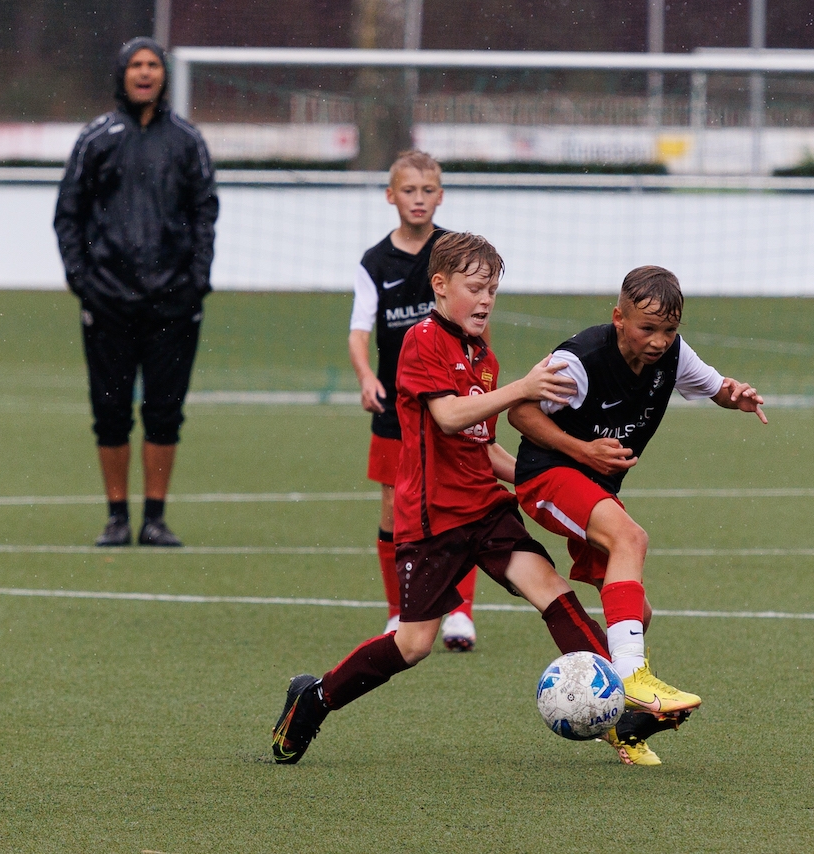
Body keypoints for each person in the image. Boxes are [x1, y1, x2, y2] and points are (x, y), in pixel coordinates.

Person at [272, 232, 614, 765]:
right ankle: (314, 699)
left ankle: (623, 706)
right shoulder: (423, 339)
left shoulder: (483, 356)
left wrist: (557, 473)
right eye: (475, 288)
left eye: (493, 290)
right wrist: (523, 389)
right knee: (413, 645)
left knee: (550, 589)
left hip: (485, 507)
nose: (485, 300)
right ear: (440, 284)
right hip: (433, 518)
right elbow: (449, 416)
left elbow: (485, 446)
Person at [508, 264, 768, 766]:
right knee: (631, 538)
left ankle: (618, 725)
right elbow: (519, 410)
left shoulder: (673, 355)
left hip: (594, 489)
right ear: (619, 318)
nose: (659, 341)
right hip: (547, 477)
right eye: (647, 328)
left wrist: (734, 397)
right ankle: (630, 679)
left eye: (669, 329)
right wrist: (582, 450)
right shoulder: (580, 360)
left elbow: (715, 386)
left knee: (636, 616)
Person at [54, 36, 219, 548]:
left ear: (164, 75)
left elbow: (205, 214)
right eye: (136, 65)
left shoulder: (188, 140)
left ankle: (155, 519)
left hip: (174, 302)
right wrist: (83, 281)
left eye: (153, 65)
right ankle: (116, 518)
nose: (145, 73)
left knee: (165, 412)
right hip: (108, 300)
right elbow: (68, 215)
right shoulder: (95, 138)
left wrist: (196, 281)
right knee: (110, 413)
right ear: (122, 74)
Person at [348, 151, 479, 650]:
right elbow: (360, 330)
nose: (418, 199)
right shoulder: (375, 262)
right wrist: (366, 376)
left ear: (440, 196)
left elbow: (475, 316)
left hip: (450, 399)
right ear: (391, 196)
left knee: (461, 501)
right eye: (409, 190)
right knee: (394, 509)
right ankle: (398, 611)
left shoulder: (454, 252)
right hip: (396, 403)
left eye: (427, 190)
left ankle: (459, 614)